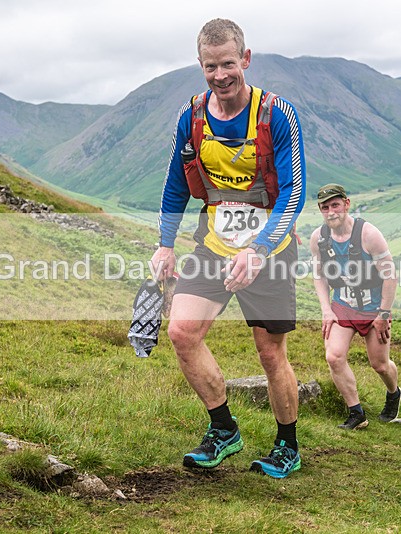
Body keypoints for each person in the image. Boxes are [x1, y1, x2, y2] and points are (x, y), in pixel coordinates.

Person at [149, 18, 306, 479]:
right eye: (211, 66)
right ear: (201, 65)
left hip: (270, 249)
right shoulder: (192, 116)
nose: (221, 75)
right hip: (215, 242)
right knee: (182, 332)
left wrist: (257, 250)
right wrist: (164, 244)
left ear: (247, 60)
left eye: (229, 64)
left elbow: (294, 193)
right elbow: (176, 184)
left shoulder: (277, 114)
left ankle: (287, 446)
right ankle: (224, 429)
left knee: (269, 352)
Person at [309, 184, 401, 430]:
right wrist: (326, 310)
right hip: (342, 305)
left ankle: (393, 393)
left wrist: (383, 313)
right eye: (325, 207)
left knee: (380, 364)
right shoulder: (319, 238)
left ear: (346, 204)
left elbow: (390, 275)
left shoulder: (368, 234)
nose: (331, 211)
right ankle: (356, 413)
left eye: (335, 205)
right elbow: (319, 275)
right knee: (334, 356)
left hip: (374, 308)